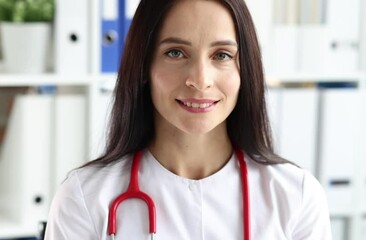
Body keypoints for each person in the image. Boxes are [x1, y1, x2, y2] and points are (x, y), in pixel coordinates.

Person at [44, 0, 332, 239]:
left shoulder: (297, 197)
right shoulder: (84, 199)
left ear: (245, 69)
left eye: (221, 55)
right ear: (144, 66)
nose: (200, 80)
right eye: (175, 52)